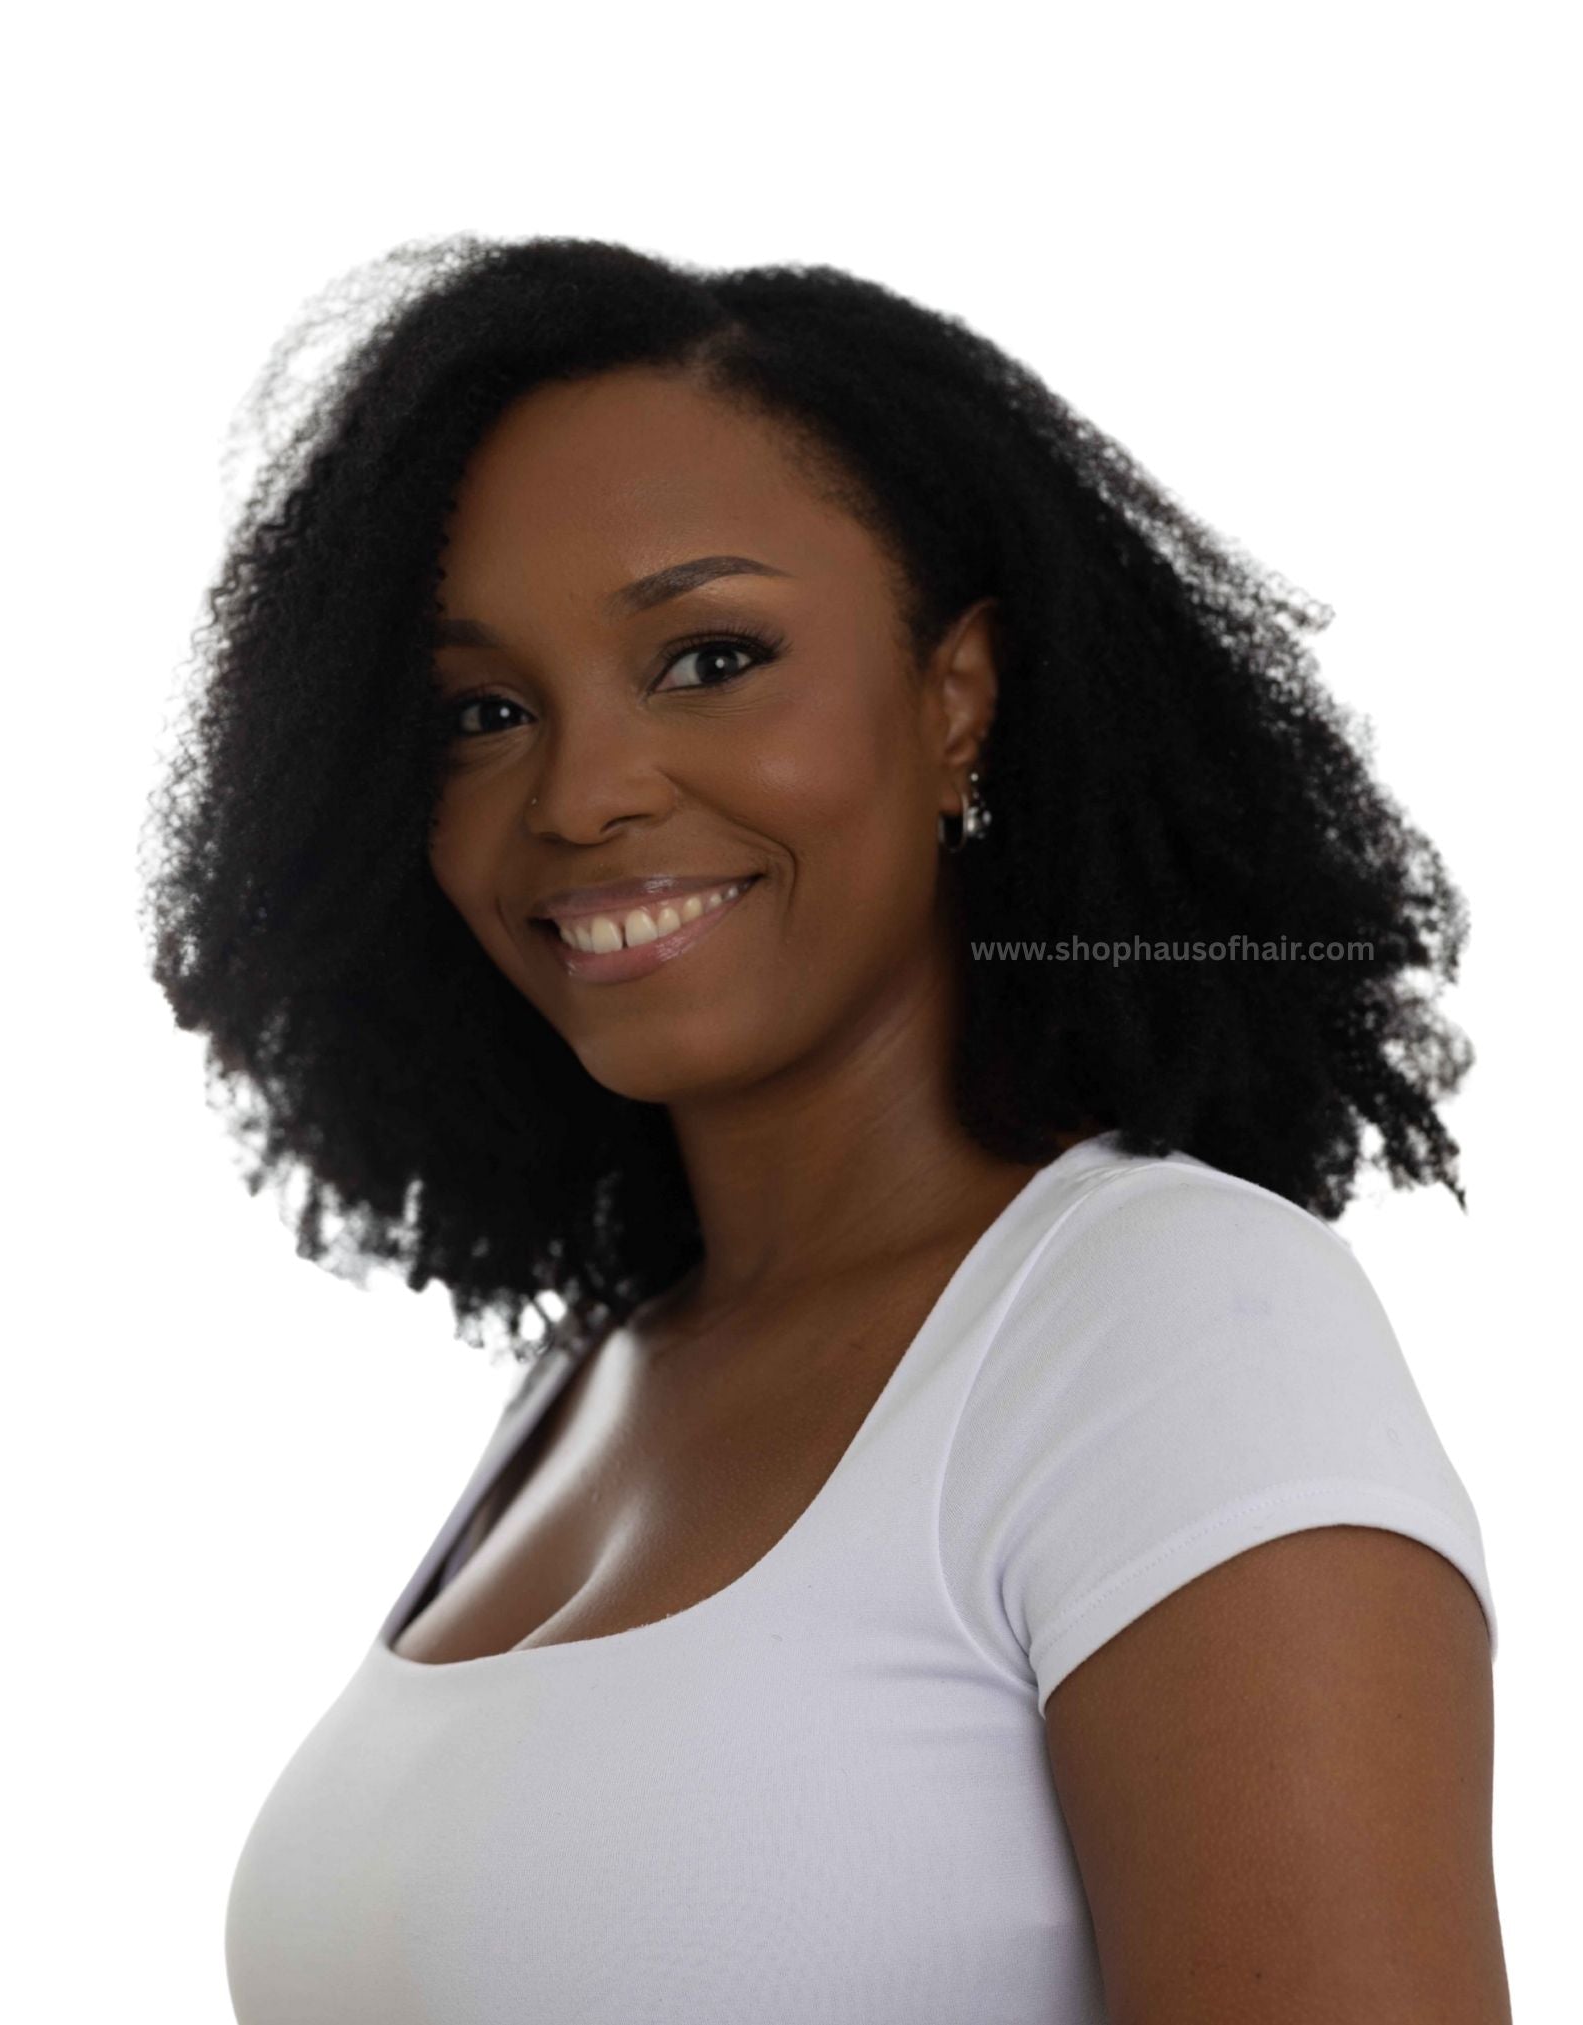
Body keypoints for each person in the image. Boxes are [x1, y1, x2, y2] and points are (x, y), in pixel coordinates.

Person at [141, 236, 1509, 2021]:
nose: (581, 792)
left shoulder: (1169, 1330)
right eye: (483, 711)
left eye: (709, 657)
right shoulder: (586, 1386)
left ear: (957, 700)